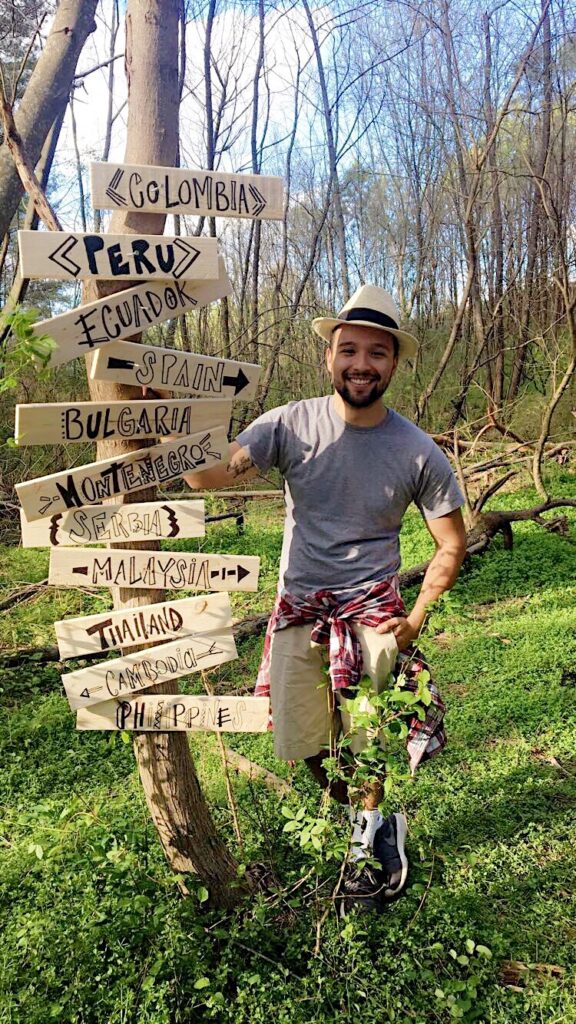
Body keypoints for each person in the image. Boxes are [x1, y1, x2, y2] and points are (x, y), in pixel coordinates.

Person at [182, 284, 467, 914]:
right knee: (304, 740)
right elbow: (210, 475)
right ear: (329, 357)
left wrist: (417, 618)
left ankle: (366, 841)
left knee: (366, 739)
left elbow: (451, 543)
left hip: (372, 615)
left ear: (395, 364)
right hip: (300, 609)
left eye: (377, 352)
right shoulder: (287, 425)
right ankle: (367, 818)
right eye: (349, 350)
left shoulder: (417, 450)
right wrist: (177, 422)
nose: (361, 364)